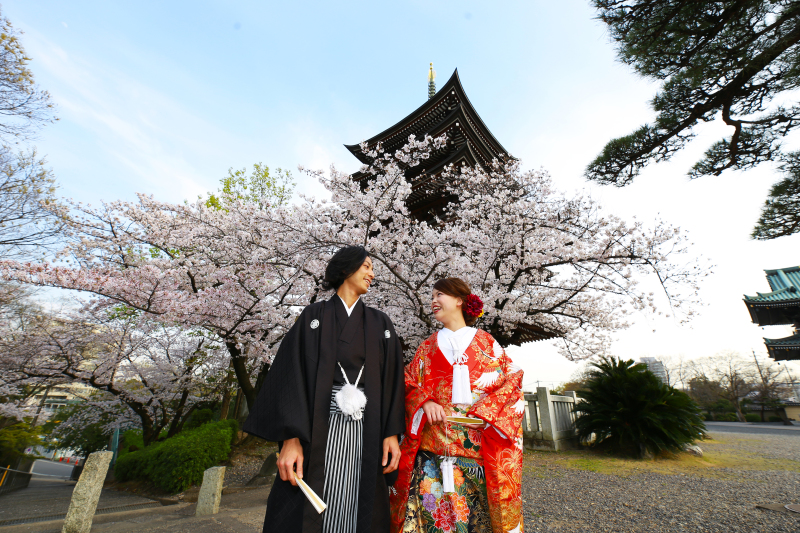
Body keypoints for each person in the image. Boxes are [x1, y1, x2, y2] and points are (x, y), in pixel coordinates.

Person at [243, 246, 406, 533]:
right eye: (366, 266)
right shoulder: (313, 317)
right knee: (308, 505)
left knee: (361, 504)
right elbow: (291, 374)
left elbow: (393, 379)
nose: (372, 273)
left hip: (367, 429)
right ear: (345, 269)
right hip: (317, 428)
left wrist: (391, 433)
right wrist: (290, 438)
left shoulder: (380, 322)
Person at [390, 278, 525, 533]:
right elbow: (407, 381)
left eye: (439, 295)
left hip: (477, 455)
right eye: (432, 296)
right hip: (432, 457)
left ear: (460, 300)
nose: (433, 301)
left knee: (478, 524)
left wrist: (485, 414)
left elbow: (512, 381)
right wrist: (426, 401)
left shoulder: (486, 343)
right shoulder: (427, 347)